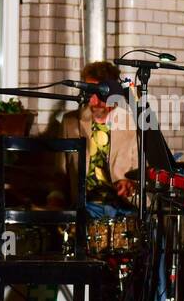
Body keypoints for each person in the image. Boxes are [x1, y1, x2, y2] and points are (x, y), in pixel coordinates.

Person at [47, 60, 139, 218]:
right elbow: (60, 174)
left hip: (124, 207)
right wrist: (55, 197)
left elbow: (142, 175)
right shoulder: (70, 123)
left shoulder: (132, 125)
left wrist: (130, 185)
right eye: (90, 93)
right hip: (86, 207)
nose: (93, 100)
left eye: (99, 93)